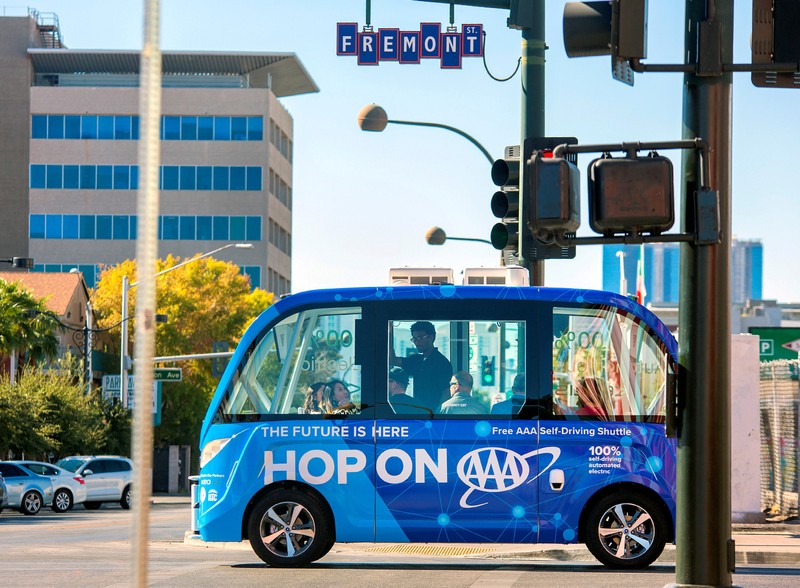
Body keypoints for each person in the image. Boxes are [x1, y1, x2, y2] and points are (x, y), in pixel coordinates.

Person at [391, 320, 453, 412]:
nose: (416, 342)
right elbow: (392, 360)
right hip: (418, 412)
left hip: (432, 415)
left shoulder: (442, 363)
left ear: (431, 337)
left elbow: (446, 392)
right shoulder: (417, 360)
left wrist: (437, 416)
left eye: (420, 338)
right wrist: (388, 331)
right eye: (414, 339)